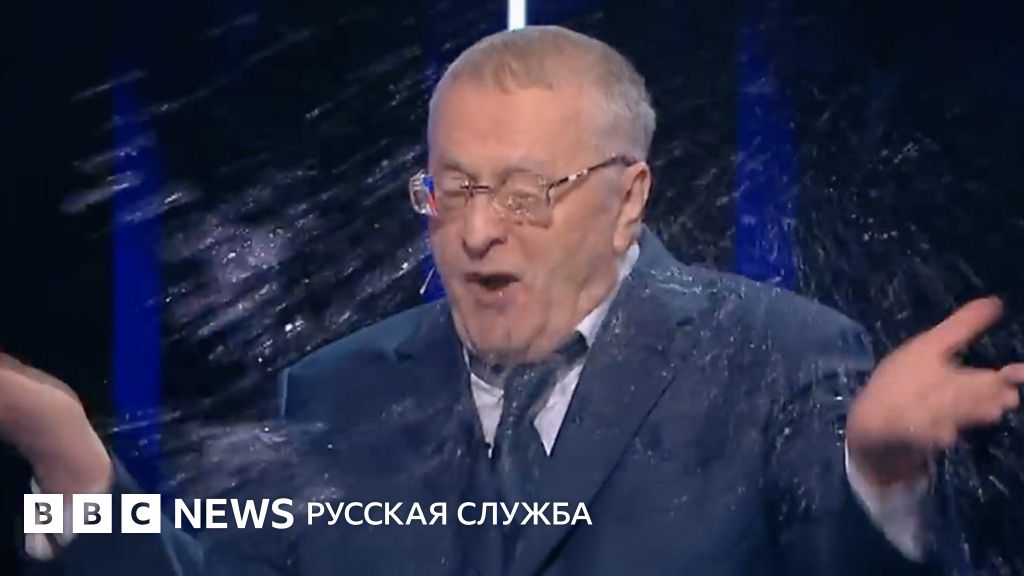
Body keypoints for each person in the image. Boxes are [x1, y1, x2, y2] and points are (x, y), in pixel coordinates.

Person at [4, 25, 1023, 576]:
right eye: (451, 190)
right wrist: (68, 462)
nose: (479, 231)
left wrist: (879, 478)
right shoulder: (340, 390)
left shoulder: (779, 360)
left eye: (527, 193)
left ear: (628, 198)